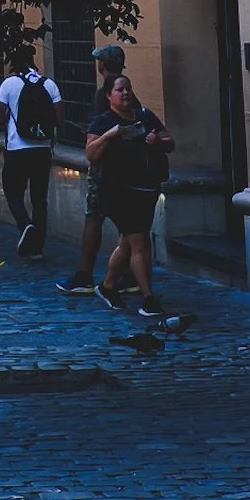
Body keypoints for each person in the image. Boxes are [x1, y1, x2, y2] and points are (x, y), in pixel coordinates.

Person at [84, 73, 174, 319]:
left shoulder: (144, 115)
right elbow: (90, 154)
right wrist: (109, 135)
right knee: (140, 242)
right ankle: (148, 298)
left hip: (146, 189)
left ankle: (108, 285)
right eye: (120, 90)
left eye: (128, 89)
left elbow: (169, 141)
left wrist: (157, 140)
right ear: (108, 95)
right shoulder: (102, 122)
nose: (125, 93)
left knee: (128, 242)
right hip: (118, 191)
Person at [58, 42, 128, 295]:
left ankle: (85, 274)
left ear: (103, 65)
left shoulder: (105, 94)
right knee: (127, 223)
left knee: (94, 218)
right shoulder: (126, 90)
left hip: (104, 167)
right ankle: (129, 274)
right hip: (122, 167)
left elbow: (99, 131)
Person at [0, 45, 62, 257]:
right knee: (39, 198)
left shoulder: (9, 84)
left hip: (17, 149)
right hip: (42, 149)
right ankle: (37, 248)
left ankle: (25, 226)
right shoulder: (49, 84)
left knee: (13, 191)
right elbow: (60, 118)